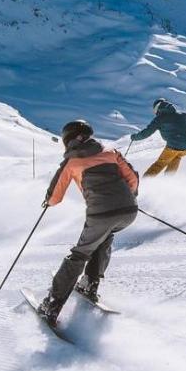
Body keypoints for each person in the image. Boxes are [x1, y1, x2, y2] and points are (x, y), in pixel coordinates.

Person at [38, 120, 139, 326]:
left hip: (102, 214)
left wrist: (48, 201)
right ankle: (89, 283)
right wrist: (125, 197)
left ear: (67, 140)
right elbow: (133, 179)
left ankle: (52, 305)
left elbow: (55, 197)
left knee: (80, 254)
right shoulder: (111, 152)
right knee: (104, 237)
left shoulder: (71, 161)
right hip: (129, 211)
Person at [131, 98, 186, 176]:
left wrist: (135, 137)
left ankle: (145, 181)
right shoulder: (183, 115)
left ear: (157, 109)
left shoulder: (160, 119)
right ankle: (168, 180)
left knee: (160, 164)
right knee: (175, 158)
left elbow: (147, 132)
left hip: (174, 145)